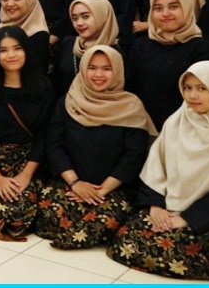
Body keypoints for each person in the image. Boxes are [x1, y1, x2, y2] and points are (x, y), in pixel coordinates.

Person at [108, 62, 209, 281]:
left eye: (202, 88)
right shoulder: (176, 122)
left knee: (178, 248)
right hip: (168, 206)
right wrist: (155, 205)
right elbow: (156, 166)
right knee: (127, 239)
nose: (192, 95)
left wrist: (188, 218)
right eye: (187, 88)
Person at [36, 46, 155, 249]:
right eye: (92, 68)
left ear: (118, 71)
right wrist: (76, 183)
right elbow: (55, 146)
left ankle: (74, 235)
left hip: (113, 189)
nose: (98, 74)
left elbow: (133, 156)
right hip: (70, 183)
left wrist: (102, 190)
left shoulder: (131, 106)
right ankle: (75, 233)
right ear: (83, 69)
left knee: (108, 216)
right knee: (50, 212)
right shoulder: (68, 102)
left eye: (107, 69)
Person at [0, 26, 54, 241]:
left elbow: (45, 135)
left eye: (17, 48)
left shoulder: (43, 89)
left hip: (28, 163)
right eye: (3, 50)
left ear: (27, 51)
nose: (11, 55)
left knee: (21, 209)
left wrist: (26, 174)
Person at [127, 0, 209, 131]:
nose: (165, 13)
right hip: (144, 129)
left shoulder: (201, 49)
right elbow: (131, 89)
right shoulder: (140, 46)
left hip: (188, 130)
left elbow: (207, 97)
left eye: (173, 7)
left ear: (186, 9)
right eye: (158, 8)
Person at [51, 0, 120, 97]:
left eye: (85, 16)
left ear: (102, 16)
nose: (79, 23)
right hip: (65, 104)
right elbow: (55, 81)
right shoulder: (67, 43)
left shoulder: (118, 52)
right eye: (74, 18)